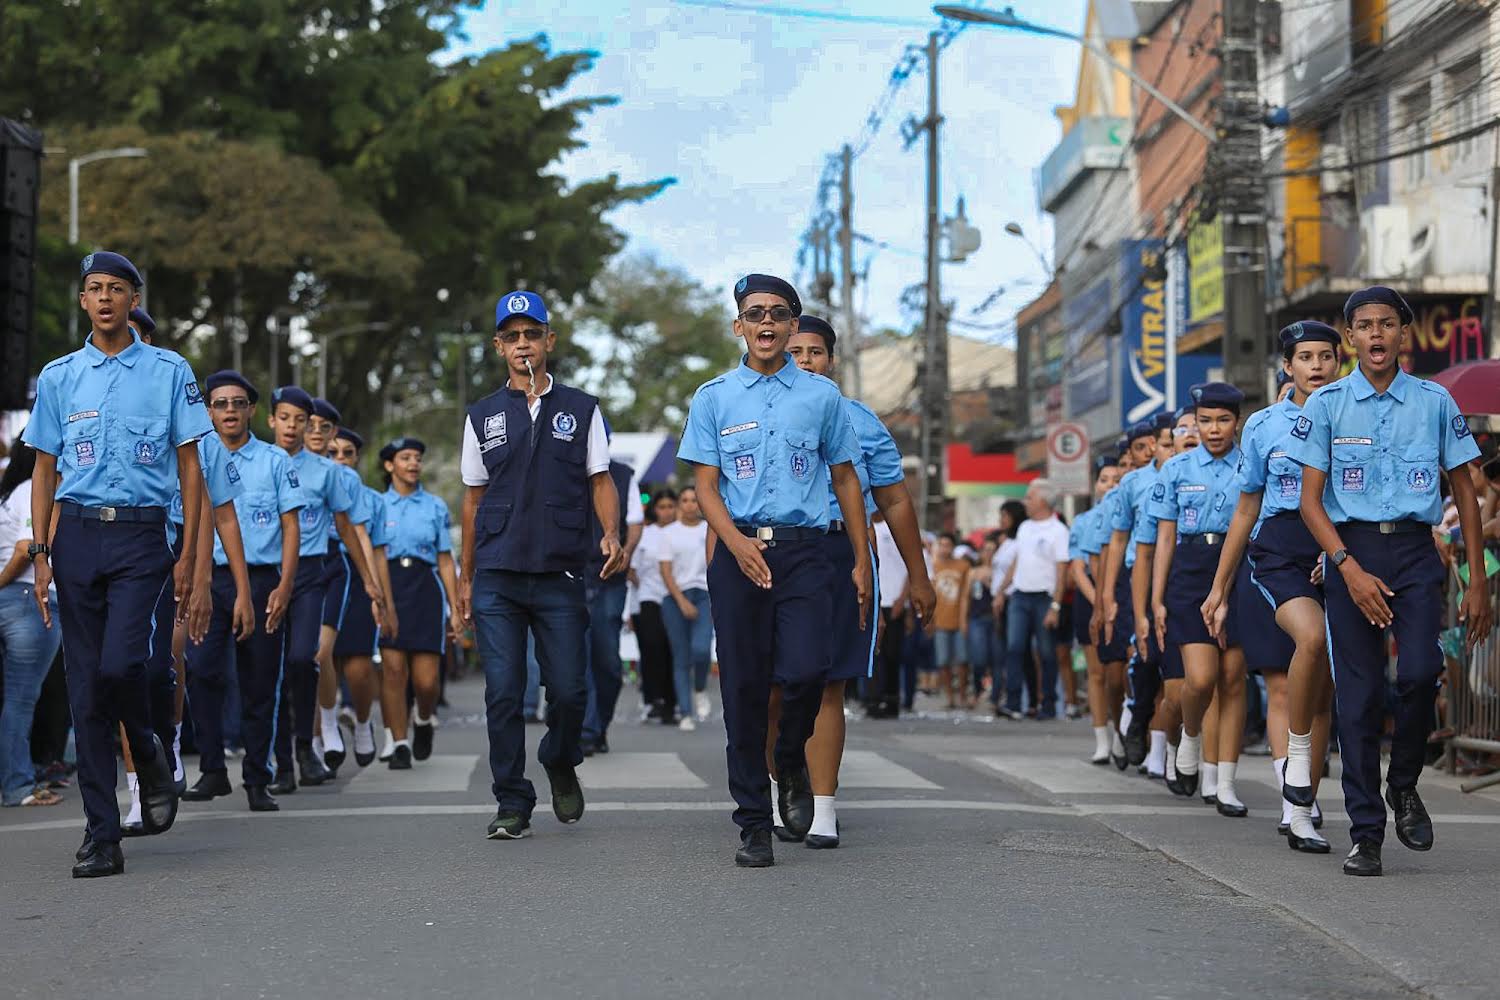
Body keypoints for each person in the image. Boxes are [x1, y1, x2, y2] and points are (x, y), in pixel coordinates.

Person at [1289, 286, 1493, 876]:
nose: (1376, 335)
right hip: (1350, 551)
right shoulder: (1325, 405)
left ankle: (1403, 784)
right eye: (1364, 326)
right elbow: (1308, 502)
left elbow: (1467, 493)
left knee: (1422, 674)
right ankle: (1366, 832)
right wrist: (1347, 569)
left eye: (1386, 324)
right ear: (1349, 337)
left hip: (1413, 550)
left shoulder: (1435, 401)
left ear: (1403, 334)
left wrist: (1477, 581)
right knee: (1358, 699)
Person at [24, 251, 210, 877]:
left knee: (122, 663)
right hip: (75, 534)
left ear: (134, 299)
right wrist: (41, 552)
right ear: (83, 301)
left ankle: (149, 745)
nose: (104, 298)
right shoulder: (58, 376)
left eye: (116, 289)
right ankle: (101, 834)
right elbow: (44, 467)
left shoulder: (169, 370)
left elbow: (189, 466)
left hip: (141, 537)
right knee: (85, 688)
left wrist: (188, 554)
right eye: (94, 289)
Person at [677, 273, 870, 868]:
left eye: (779, 314)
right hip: (739, 556)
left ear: (791, 325)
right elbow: (705, 486)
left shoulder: (821, 397)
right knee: (742, 690)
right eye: (755, 313)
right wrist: (733, 543)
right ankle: (753, 823)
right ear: (739, 325)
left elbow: (843, 479)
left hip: (806, 553)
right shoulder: (714, 397)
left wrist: (861, 559)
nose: (767, 323)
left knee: (809, 670)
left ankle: (789, 759)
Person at [458, 289, 625, 842]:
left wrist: (611, 534)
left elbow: (600, 478)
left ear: (549, 341)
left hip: (560, 572)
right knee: (503, 691)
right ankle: (512, 799)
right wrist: (465, 577)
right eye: (512, 336)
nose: (523, 344)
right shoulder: (482, 416)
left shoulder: (582, 409)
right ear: (499, 347)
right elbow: (473, 500)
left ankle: (559, 756)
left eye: (533, 334)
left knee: (571, 692)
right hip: (498, 576)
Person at [769, 312, 934, 848]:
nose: (804, 361)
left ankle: (822, 808)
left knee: (827, 683)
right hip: (773, 555)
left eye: (813, 351)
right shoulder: (757, 412)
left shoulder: (861, 421)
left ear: (831, 359)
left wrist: (920, 576)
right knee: (775, 688)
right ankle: (781, 788)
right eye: (794, 352)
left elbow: (893, 499)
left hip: (842, 551)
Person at [1202, 321, 1341, 853]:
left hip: (1339, 550)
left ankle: (1306, 789)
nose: (1315, 366)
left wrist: (1342, 557)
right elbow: (1246, 507)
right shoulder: (1263, 425)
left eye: (1325, 356)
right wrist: (1220, 587)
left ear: (1337, 362)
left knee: (1322, 689)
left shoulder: (1356, 415)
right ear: (1288, 367)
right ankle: (1296, 805)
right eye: (1305, 357)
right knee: (1297, 661)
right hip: (1280, 549)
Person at [181, 371, 302, 813]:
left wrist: (285, 586)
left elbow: (292, 528)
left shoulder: (275, 460)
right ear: (208, 410)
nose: (229, 411)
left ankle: (257, 777)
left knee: (260, 683)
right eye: (220, 404)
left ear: (252, 410)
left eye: (237, 403)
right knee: (202, 670)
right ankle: (213, 768)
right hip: (208, 581)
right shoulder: (193, 458)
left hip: (263, 580)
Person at [265, 386, 381, 790]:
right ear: (272, 421)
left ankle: (308, 745)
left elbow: (348, 528)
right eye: (290, 418)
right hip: (266, 573)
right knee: (270, 670)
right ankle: (281, 762)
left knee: (305, 658)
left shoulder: (328, 473)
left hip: (315, 572)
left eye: (307, 421)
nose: (298, 428)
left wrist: (369, 580)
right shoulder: (255, 462)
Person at [1148, 383, 1250, 816]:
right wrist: (1156, 599)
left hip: (1240, 567)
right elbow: (1164, 539)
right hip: (1189, 572)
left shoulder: (1250, 464)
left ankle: (1225, 782)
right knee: (1202, 679)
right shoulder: (1176, 468)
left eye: (1223, 420)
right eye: (1205, 420)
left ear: (1237, 422)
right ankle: (1189, 735)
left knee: (1232, 679)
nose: (1213, 429)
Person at [377, 437, 461, 768]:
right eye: (405, 458)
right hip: (390, 585)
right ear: (389, 465)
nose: (413, 464)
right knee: (394, 671)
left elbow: (444, 560)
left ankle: (423, 720)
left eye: (417, 458)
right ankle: (399, 744)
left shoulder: (435, 506)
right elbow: (375, 554)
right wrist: (377, 596)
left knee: (426, 682)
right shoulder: (376, 505)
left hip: (425, 588)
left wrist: (456, 609)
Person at [323, 427, 395, 767]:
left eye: (346, 453)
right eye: (332, 453)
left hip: (356, 575)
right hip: (317, 571)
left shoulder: (370, 499)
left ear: (357, 458)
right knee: (317, 659)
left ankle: (364, 723)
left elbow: (374, 549)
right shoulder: (311, 483)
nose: (339, 459)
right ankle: (321, 738)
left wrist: (380, 596)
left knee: (358, 668)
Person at [0, 438, 64, 807]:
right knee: (21, 700)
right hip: (29, 599)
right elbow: (28, 547)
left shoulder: (16, 491)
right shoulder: (34, 489)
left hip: (20, 599)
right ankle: (18, 786)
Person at [580, 444, 642, 755]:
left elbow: (636, 521)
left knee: (607, 662)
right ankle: (586, 729)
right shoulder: (562, 468)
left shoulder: (623, 474)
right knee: (580, 656)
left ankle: (599, 724)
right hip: (573, 576)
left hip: (610, 579)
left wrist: (626, 554)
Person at [996, 480, 1071, 720]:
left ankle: (1048, 703)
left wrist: (1055, 607)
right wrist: (1001, 589)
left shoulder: (1058, 531)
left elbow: (1062, 572)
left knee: (1047, 652)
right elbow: (1018, 561)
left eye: (1029, 497)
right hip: (1020, 595)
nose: (1025, 502)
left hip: (1044, 598)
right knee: (1015, 647)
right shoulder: (1025, 527)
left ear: (1042, 501)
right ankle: (1015, 702)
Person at [1072, 454, 1122, 764]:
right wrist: (1099, 601)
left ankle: (1122, 732)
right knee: (1097, 673)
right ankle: (1101, 737)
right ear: (1095, 484)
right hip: (1090, 598)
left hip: (1121, 596)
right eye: (1105, 480)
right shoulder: (1083, 521)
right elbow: (1078, 569)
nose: (1111, 486)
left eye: (1117, 480)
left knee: (1118, 675)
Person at [660, 485, 713, 731]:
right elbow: (666, 570)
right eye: (685, 500)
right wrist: (681, 601)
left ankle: (700, 687)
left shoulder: (709, 530)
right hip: (674, 597)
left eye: (694, 500)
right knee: (681, 658)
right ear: (680, 504)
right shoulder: (669, 533)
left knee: (701, 650)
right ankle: (686, 712)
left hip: (703, 595)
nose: (690, 504)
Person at [632, 490, 678, 723]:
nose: (667, 511)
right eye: (662, 506)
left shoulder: (682, 532)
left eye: (671, 506)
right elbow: (632, 568)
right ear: (655, 509)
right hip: (648, 596)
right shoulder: (645, 534)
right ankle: (653, 699)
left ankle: (672, 702)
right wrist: (643, 587)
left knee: (671, 650)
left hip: (676, 598)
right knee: (651, 647)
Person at [988, 500, 1027, 716]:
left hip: (1011, 599)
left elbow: (1015, 570)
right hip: (999, 601)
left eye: (1005, 515)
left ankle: (1017, 699)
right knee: (1001, 654)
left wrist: (1002, 592)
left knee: (1013, 651)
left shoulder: (1019, 540)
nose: (1001, 520)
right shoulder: (1005, 541)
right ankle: (1003, 696)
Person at [930, 533, 970, 710]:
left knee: (962, 660)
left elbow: (966, 596)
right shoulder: (934, 566)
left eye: (948, 544)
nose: (945, 548)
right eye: (942, 544)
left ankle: (962, 695)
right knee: (943, 661)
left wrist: (964, 620)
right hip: (940, 621)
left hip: (959, 620)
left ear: (953, 546)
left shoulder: (963, 566)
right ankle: (950, 697)